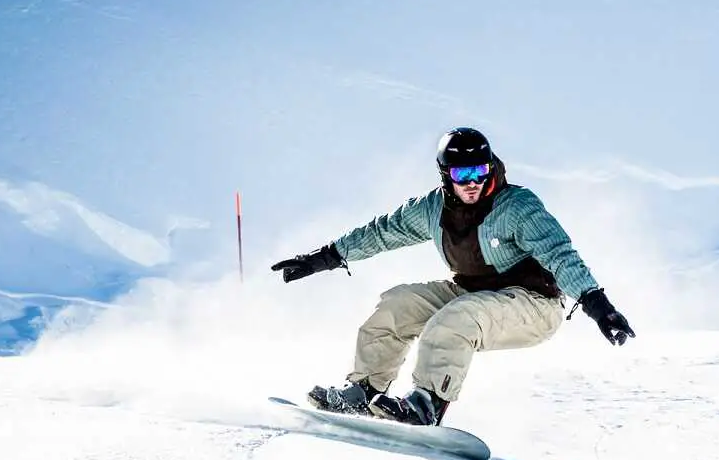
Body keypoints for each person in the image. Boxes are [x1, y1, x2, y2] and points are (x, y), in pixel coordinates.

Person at [271, 127, 635, 426]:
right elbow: (383, 231)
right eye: (463, 174)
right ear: (447, 175)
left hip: (532, 303)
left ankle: (426, 403)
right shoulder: (434, 208)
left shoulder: (518, 207)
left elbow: (559, 254)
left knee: (455, 321)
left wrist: (598, 306)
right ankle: (364, 391)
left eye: (481, 170)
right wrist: (325, 257)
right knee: (397, 304)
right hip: (470, 293)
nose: (473, 182)